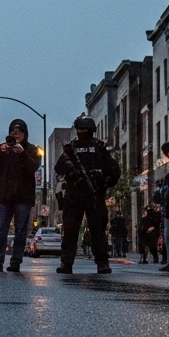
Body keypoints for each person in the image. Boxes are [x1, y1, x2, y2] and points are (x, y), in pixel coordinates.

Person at [54, 116, 121, 274]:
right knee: (71, 231)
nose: (82, 132)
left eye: (84, 130)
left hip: (94, 193)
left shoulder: (98, 147)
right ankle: (68, 263)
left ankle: (101, 263)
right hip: (75, 193)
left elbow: (114, 171)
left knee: (97, 231)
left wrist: (102, 179)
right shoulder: (71, 149)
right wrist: (71, 171)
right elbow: (59, 167)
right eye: (80, 130)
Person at [0, 119, 40, 272]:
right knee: (1, 229)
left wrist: (22, 153)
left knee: (21, 230)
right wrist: (0, 152)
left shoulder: (32, 149)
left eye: (19, 132)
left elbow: (33, 167)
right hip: (5, 196)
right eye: (13, 133)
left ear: (24, 134)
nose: (16, 136)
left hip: (23, 197)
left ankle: (15, 262)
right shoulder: (3, 148)